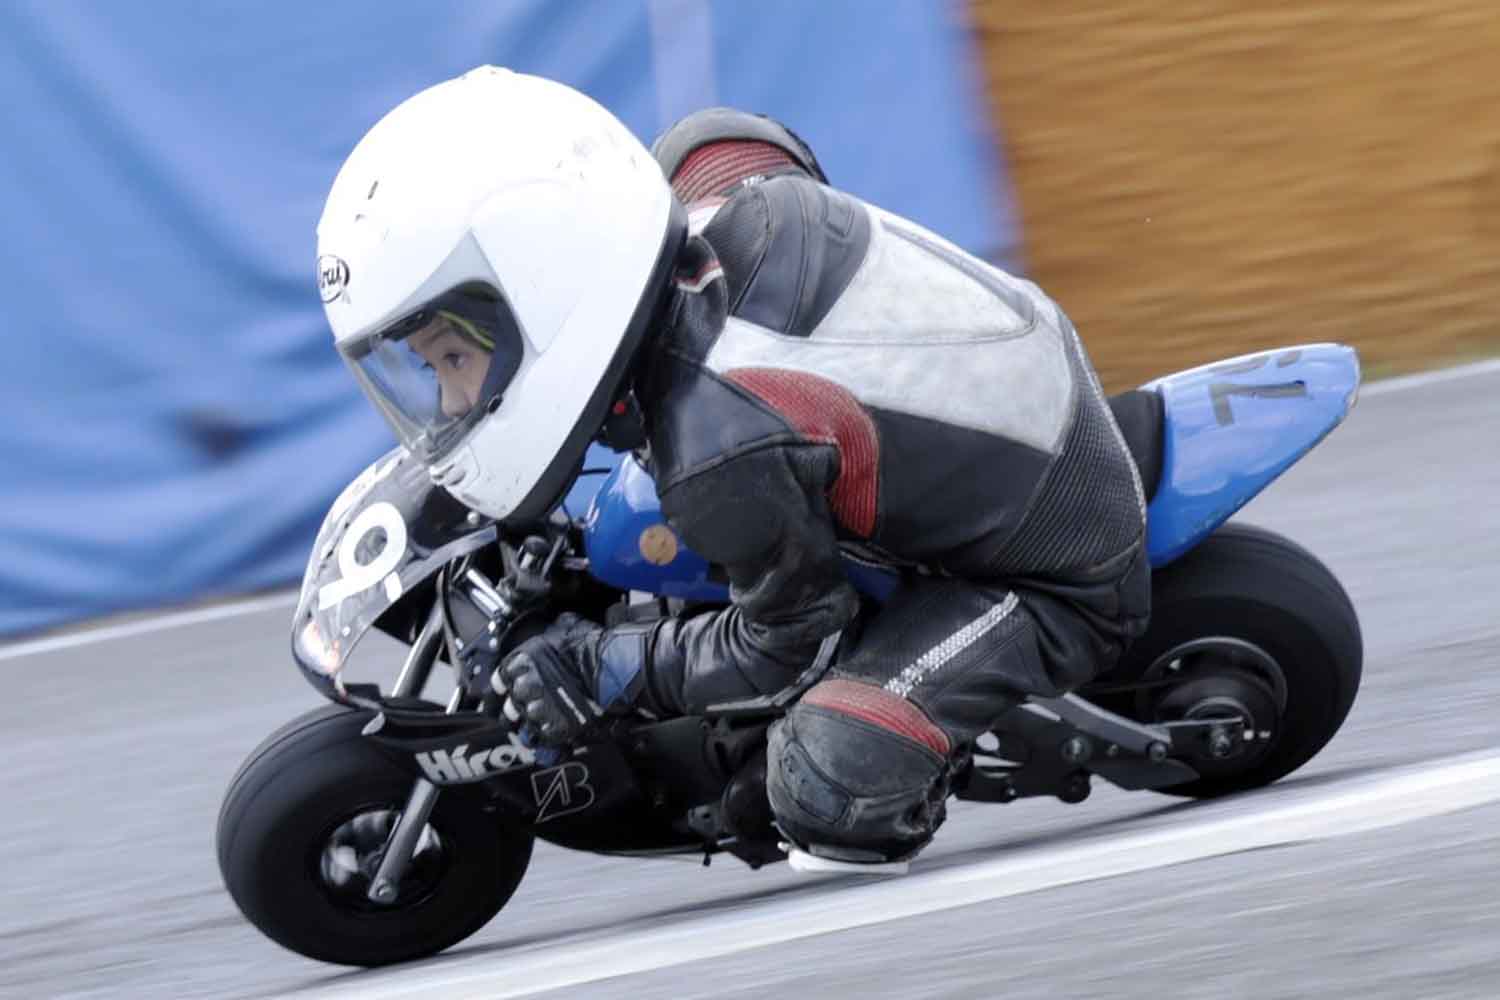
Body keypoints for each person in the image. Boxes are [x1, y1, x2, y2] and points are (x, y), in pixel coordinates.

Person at [317, 67, 1150, 864]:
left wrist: (600, 666)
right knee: (704, 143)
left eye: (454, 359)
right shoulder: (691, 221)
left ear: (546, 300)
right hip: (1016, 373)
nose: (451, 401)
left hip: (1059, 556)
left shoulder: (717, 452)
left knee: (820, 782)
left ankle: (911, 729)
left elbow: (786, 648)